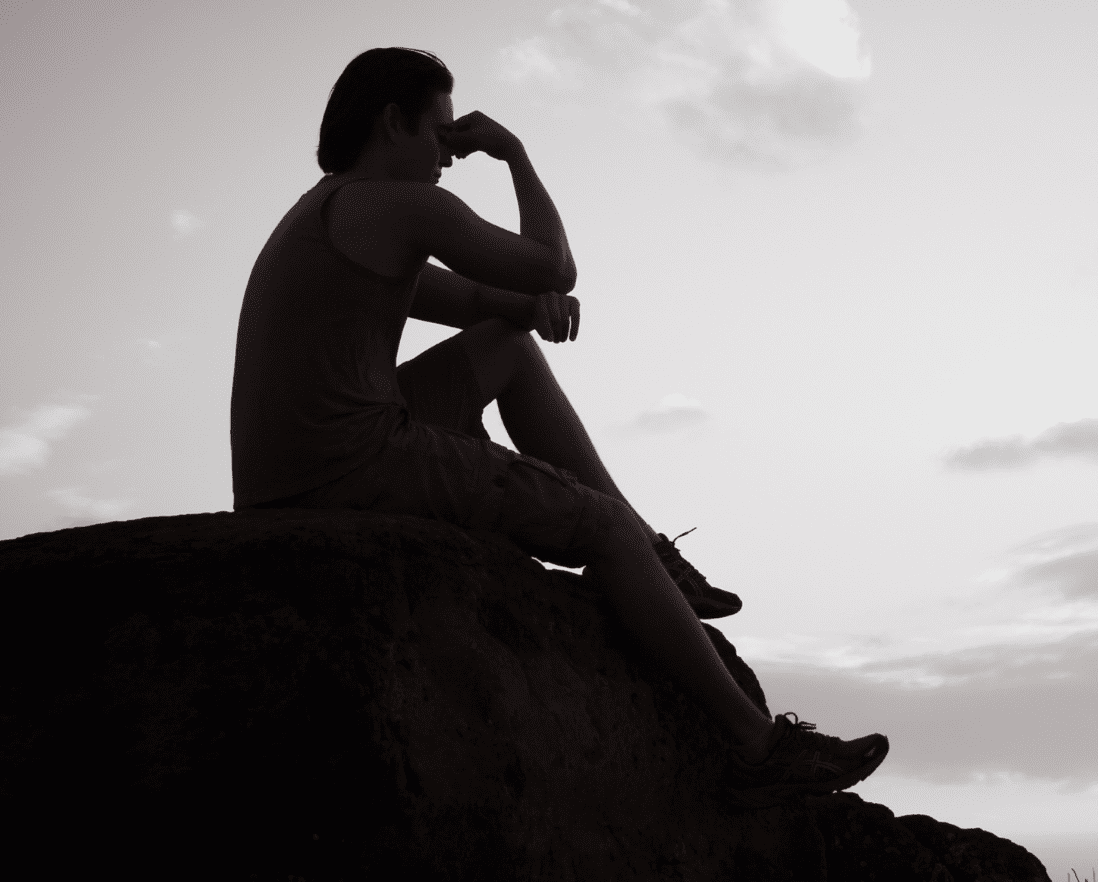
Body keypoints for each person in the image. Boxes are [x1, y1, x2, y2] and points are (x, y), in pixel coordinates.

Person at [230, 46, 886, 806]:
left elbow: (473, 301)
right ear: (391, 122)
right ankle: (753, 744)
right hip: (352, 465)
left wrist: (525, 310)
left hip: (303, 466)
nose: (450, 155)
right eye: (441, 135)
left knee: (504, 348)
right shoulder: (403, 204)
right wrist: (514, 154)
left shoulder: (331, 208)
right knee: (599, 526)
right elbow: (553, 264)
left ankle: (654, 557)